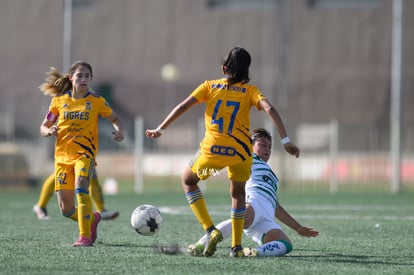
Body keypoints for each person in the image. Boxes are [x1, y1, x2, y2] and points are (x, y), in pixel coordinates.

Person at [145, 47, 300, 257]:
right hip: (241, 152)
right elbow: (270, 108)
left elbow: (183, 106)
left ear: (224, 67)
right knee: (238, 195)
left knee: (188, 181)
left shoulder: (209, 86)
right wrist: (286, 140)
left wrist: (160, 129)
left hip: (213, 150)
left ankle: (210, 230)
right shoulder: (251, 90)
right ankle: (236, 247)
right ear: (247, 71)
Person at [187, 128, 319, 257]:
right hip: (254, 202)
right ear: (250, 146)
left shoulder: (272, 174)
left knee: (285, 244)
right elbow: (230, 159)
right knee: (240, 220)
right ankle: (199, 246)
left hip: (267, 216)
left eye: (269, 146)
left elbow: (277, 207)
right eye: (262, 145)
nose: (267, 149)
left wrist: (298, 228)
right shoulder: (247, 158)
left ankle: (253, 252)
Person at [39, 61, 124, 246]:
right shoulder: (59, 102)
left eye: (87, 76)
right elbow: (44, 126)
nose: (84, 79)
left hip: (84, 155)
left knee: (81, 187)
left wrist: (119, 130)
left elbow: (115, 118)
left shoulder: (96, 102)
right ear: (71, 78)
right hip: (62, 158)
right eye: (80, 75)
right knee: (66, 209)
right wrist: (49, 131)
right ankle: (92, 219)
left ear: (91, 79)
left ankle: (84, 237)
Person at [32, 168, 120, 220]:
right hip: (69, 144)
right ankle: (41, 206)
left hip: (85, 143)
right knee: (60, 174)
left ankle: (101, 209)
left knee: (92, 174)